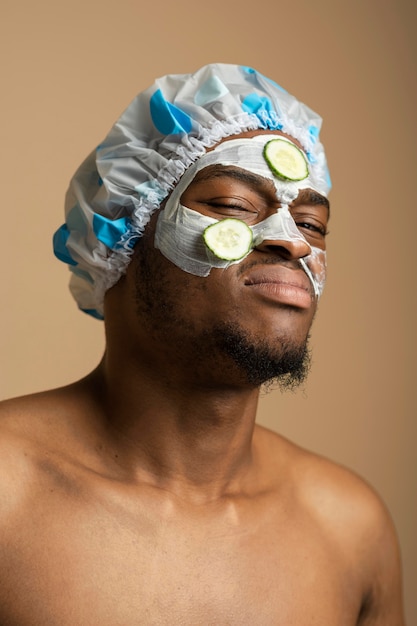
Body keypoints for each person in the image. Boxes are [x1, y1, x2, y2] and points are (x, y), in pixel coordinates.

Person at [0, 63, 404, 624]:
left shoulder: (349, 527)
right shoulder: (7, 495)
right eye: (235, 206)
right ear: (121, 236)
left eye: (313, 224)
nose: (292, 243)